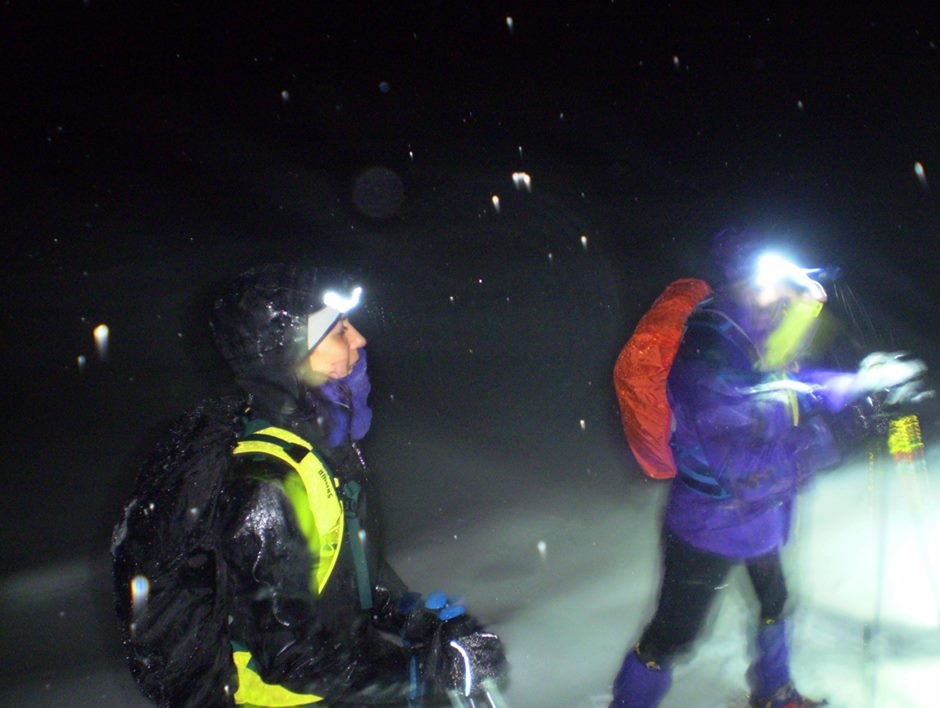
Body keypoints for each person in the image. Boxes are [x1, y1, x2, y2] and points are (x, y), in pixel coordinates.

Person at [115, 263, 507, 707]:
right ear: (291, 355)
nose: (359, 339)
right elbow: (288, 655)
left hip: (339, 679)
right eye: (339, 332)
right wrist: (420, 673)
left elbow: (348, 575)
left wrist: (415, 618)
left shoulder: (321, 450)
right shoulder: (267, 482)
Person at [608, 229, 928, 708]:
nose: (798, 301)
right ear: (754, 283)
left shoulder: (760, 335)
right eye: (790, 286)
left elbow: (793, 389)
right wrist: (841, 432)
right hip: (707, 527)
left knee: (776, 604)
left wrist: (862, 384)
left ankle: (774, 693)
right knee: (672, 637)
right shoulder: (708, 354)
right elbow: (747, 469)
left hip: (761, 519)